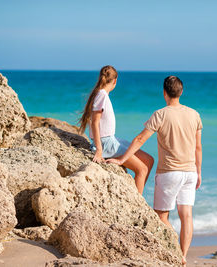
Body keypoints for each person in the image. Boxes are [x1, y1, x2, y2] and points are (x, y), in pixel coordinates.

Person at [107, 75, 202, 265]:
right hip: (190, 172)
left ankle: (174, 249)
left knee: (161, 215)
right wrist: (198, 172)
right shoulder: (194, 114)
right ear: (181, 92)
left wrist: (122, 159)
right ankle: (183, 255)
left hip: (169, 173)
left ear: (164, 92)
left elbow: (141, 139)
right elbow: (198, 147)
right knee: (187, 215)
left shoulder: (160, 114)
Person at [79, 65, 154, 194]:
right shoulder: (101, 95)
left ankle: (137, 195)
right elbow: (95, 123)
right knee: (142, 169)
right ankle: (136, 205)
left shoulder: (101, 94)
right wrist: (99, 150)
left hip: (112, 139)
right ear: (115, 81)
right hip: (106, 144)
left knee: (149, 160)